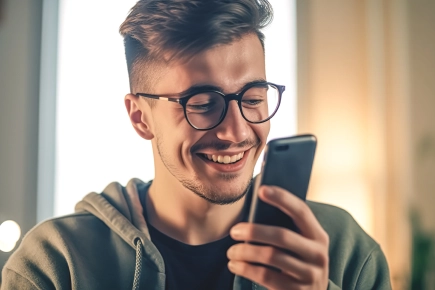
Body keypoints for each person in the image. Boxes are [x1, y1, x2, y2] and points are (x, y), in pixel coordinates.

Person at [1, 0, 392, 289]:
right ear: (140, 117)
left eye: (254, 98)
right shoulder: (56, 263)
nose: (237, 131)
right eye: (203, 105)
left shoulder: (343, 251)